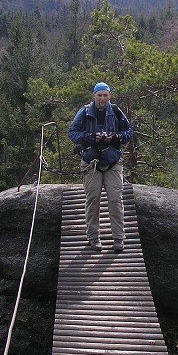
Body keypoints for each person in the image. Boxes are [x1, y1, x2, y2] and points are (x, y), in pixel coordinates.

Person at [68, 82, 133, 252]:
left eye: (105, 95)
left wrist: (115, 137)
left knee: (115, 200)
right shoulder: (84, 111)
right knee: (92, 201)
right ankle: (93, 237)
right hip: (91, 163)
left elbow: (129, 132)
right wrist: (90, 137)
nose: (102, 98)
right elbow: (72, 133)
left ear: (109, 95)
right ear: (94, 96)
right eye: (99, 95)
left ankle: (119, 238)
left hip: (112, 163)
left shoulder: (116, 112)